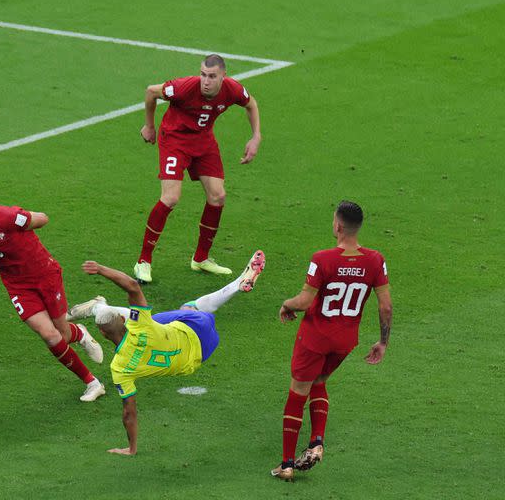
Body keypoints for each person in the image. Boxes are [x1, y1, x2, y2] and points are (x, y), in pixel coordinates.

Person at [72, 250, 265, 455]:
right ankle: (100, 307)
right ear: (122, 321)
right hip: (195, 327)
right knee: (187, 308)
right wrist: (100, 269)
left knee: (163, 319)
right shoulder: (140, 325)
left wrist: (132, 448)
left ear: (102, 334)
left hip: (200, 355)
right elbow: (132, 286)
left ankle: (99, 308)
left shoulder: (119, 368)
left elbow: (129, 412)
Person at [0, 184, 106, 402]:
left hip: (45, 275)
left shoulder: (5, 217)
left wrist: (22, 223)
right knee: (50, 336)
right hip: (18, 286)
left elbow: (43, 218)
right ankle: (92, 383)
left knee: (63, 336)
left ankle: (79, 333)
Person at [271, 201, 393, 481]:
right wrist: (383, 342)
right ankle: (316, 442)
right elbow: (385, 306)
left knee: (296, 394)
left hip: (315, 338)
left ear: (338, 226)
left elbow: (304, 301)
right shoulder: (375, 260)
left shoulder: (322, 258)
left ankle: (287, 464)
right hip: (344, 341)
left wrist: (286, 304)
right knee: (319, 382)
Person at [134, 53, 262, 283]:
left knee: (218, 196)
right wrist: (149, 125)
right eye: (203, 74)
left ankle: (201, 258)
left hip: (203, 141)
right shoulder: (183, 87)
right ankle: (143, 261)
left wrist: (255, 137)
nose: (206, 81)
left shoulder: (232, 89)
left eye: (212, 76)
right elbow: (151, 91)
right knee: (171, 197)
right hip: (174, 140)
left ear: (223, 76)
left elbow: (251, 103)